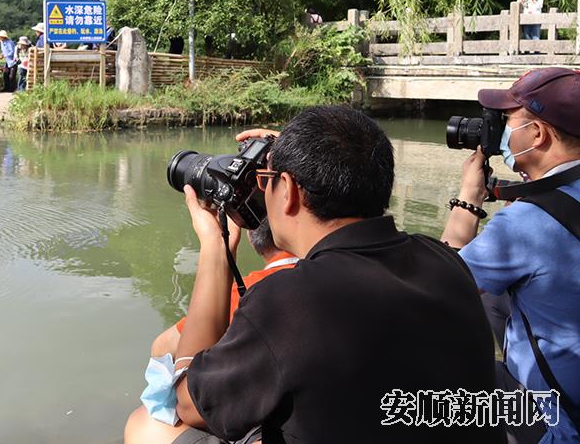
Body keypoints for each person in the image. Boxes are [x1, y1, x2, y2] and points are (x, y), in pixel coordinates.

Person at [125, 106, 501, 444]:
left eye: (266, 179)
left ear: (286, 189)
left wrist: (215, 248)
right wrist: (299, 159)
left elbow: (188, 404)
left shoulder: (289, 300)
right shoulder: (442, 260)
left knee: (147, 426)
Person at [443, 67, 580, 444]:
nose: (498, 133)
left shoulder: (527, 224)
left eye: (506, 122)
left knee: (429, 377)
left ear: (537, 135)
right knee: (497, 300)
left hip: (561, 422)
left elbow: (440, 287)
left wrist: (467, 202)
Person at [148, 219, 296, 360]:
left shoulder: (252, 291)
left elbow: (162, 350)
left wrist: (214, 245)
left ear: (250, 236)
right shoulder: (315, 270)